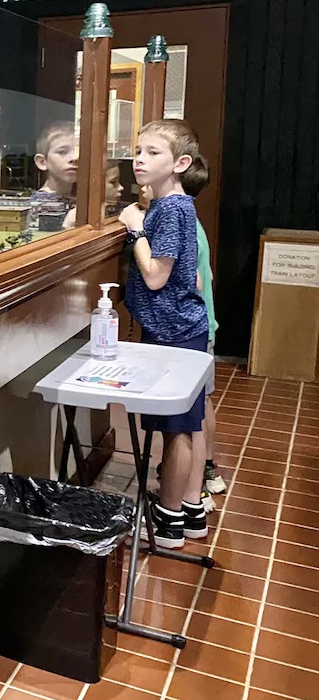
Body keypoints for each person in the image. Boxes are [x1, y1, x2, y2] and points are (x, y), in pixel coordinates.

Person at [118, 119, 210, 549]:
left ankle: (169, 521)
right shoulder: (172, 206)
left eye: (153, 152)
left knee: (178, 428)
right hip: (176, 328)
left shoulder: (171, 208)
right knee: (185, 425)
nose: (140, 159)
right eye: (139, 150)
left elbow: (156, 276)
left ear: (180, 163)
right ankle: (189, 513)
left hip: (174, 332)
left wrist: (135, 227)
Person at [181, 154, 226, 506]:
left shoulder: (181, 225)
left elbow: (196, 279)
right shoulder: (194, 221)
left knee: (196, 406)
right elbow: (208, 274)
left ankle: (196, 485)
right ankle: (209, 470)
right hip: (206, 322)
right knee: (203, 400)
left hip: (196, 326)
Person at [28, 121, 77, 229]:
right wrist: (67, 226)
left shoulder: (82, 199)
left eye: (79, 152)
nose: (74, 158)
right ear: (42, 162)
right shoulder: (35, 205)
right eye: (62, 152)